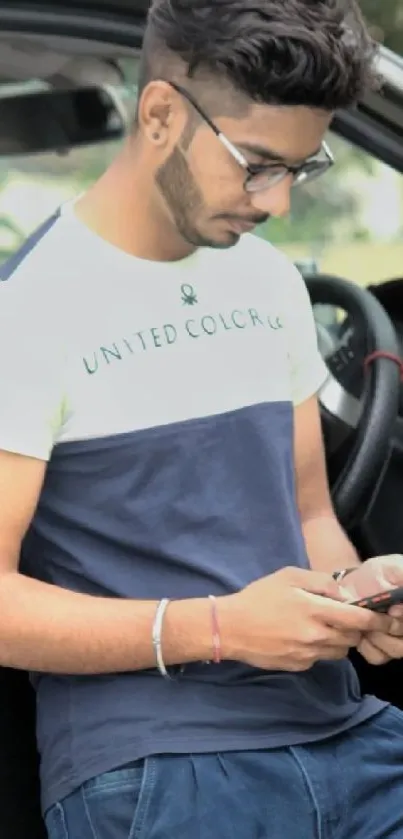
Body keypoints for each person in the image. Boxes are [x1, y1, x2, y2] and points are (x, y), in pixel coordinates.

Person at [1, 0, 403, 837]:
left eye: (302, 167)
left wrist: (358, 598)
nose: (280, 204)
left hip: (345, 731)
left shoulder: (267, 282)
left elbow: (308, 517)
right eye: (257, 164)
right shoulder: (27, 314)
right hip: (154, 768)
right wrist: (219, 627)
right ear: (158, 115)